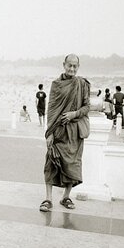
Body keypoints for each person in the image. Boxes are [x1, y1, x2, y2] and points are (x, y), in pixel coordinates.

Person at [40, 54, 90, 212]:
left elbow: (87, 107)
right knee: (51, 163)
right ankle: (48, 199)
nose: (72, 69)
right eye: (70, 65)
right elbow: (52, 109)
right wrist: (50, 133)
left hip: (75, 132)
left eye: (75, 66)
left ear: (78, 67)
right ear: (64, 65)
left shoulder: (82, 84)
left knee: (72, 165)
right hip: (58, 130)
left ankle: (66, 197)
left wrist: (73, 114)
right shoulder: (56, 84)